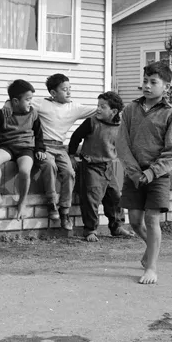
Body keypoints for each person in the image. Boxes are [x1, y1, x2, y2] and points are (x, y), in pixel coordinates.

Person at [117, 60, 172, 285]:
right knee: (135, 221)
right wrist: (134, 172)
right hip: (134, 173)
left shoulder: (171, 113)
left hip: (158, 175)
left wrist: (152, 172)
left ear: (166, 87)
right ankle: (151, 248)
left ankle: (151, 267)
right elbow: (122, 144)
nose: (147, 86)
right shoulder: (130, 110)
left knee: (152, 219)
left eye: (153, 82)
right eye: (145, 81)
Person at [68, 91, 134, 241]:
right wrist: (72, 155)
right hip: (91, 166)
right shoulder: (91, 122)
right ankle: (90, 230)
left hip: (108, 166)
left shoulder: (120, 126)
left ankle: (117, 227)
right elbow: (75, 137)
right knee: (91, 198)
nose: (98, 109)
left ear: (114, 111)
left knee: (115, 197)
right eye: (97, 105)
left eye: (102, 107)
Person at [34, 73, 96, 230]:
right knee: (49, 166)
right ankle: (51, 203)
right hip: (45, 146)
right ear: (53, 93)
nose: (69, 92)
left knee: (69, 172)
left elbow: (99, 110)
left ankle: (65, 211)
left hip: (61, 147)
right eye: (64, 89)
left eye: (70, 89)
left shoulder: (73, 107)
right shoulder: (41, 104)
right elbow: (23, 102)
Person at [0, 79, 47, 219]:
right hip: (7, 146)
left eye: (31, 99)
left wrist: (40, 149)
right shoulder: (2, 114)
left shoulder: (33, 114)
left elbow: (39, 135)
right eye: (27, 99)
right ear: (15, 101)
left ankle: (22, 201)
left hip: (26, 149)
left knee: (25, 170)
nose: (30, 102)